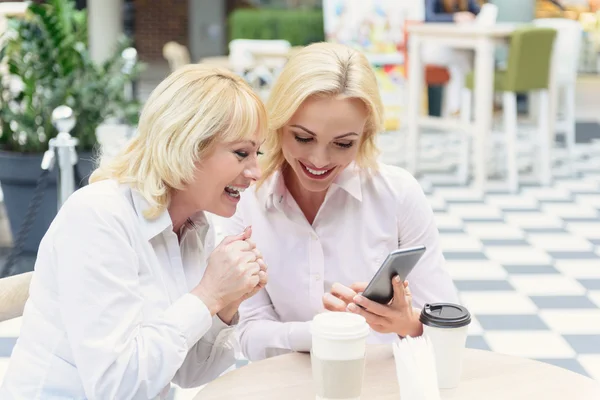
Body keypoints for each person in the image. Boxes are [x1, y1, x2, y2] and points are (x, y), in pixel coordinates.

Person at [0, 64, 268, 399]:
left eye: (258, 153)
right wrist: (209, 293)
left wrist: (227, 303)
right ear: (187, 144)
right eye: (242, 153)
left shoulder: (196, 227)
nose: (256, 171)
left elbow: (187, 373)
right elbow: (117, 386)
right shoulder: (98, 217)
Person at [217, 42, 459, 362]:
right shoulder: (244, 198)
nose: (320, 160)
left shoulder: (397, 195)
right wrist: (326, 332)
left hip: (379, 383)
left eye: (343, 144)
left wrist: (408, 323)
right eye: (303, 137)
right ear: (278, 125)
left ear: (366, 133)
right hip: (283, 384)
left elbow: (449, 326)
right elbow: (246, 332)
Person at [422, 0, 482, 115]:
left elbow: (477, 12)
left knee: (470, 56)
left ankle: (462, 108)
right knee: (464, 59)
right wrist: (454, 17)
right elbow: (429, 18)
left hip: (455, 47)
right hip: (433, 47)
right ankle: (460, 108)